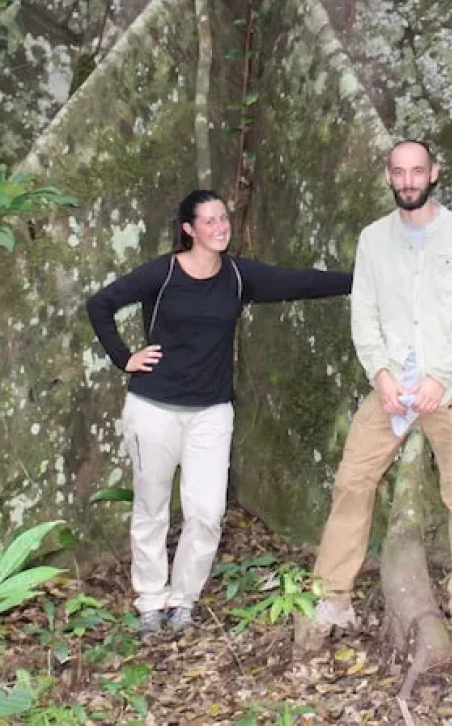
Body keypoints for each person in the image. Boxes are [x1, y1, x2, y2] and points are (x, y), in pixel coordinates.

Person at [86, 189, 351, 637]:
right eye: (208, 221)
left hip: (211, 412)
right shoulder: (163, 273)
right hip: (153, 408)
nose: (219, 227)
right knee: (151, 507)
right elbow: (101, 304)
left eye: (223, 218)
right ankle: (150, 600)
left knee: (206, 512)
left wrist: (362, 277)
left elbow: (300, 282)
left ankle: (183, 600)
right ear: (188, 229)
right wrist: (123, 356)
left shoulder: (238, 276)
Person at [309, 140, 452, 653]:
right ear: (389, 177)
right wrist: (382, 375)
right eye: (399, 172)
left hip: (450, 385)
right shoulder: (373, 239)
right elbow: (363, 313)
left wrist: (438, 377)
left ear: (434, 173)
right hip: (392, 386)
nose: (409, 180)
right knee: (352, 480)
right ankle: (334, 596)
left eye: (417, 171)